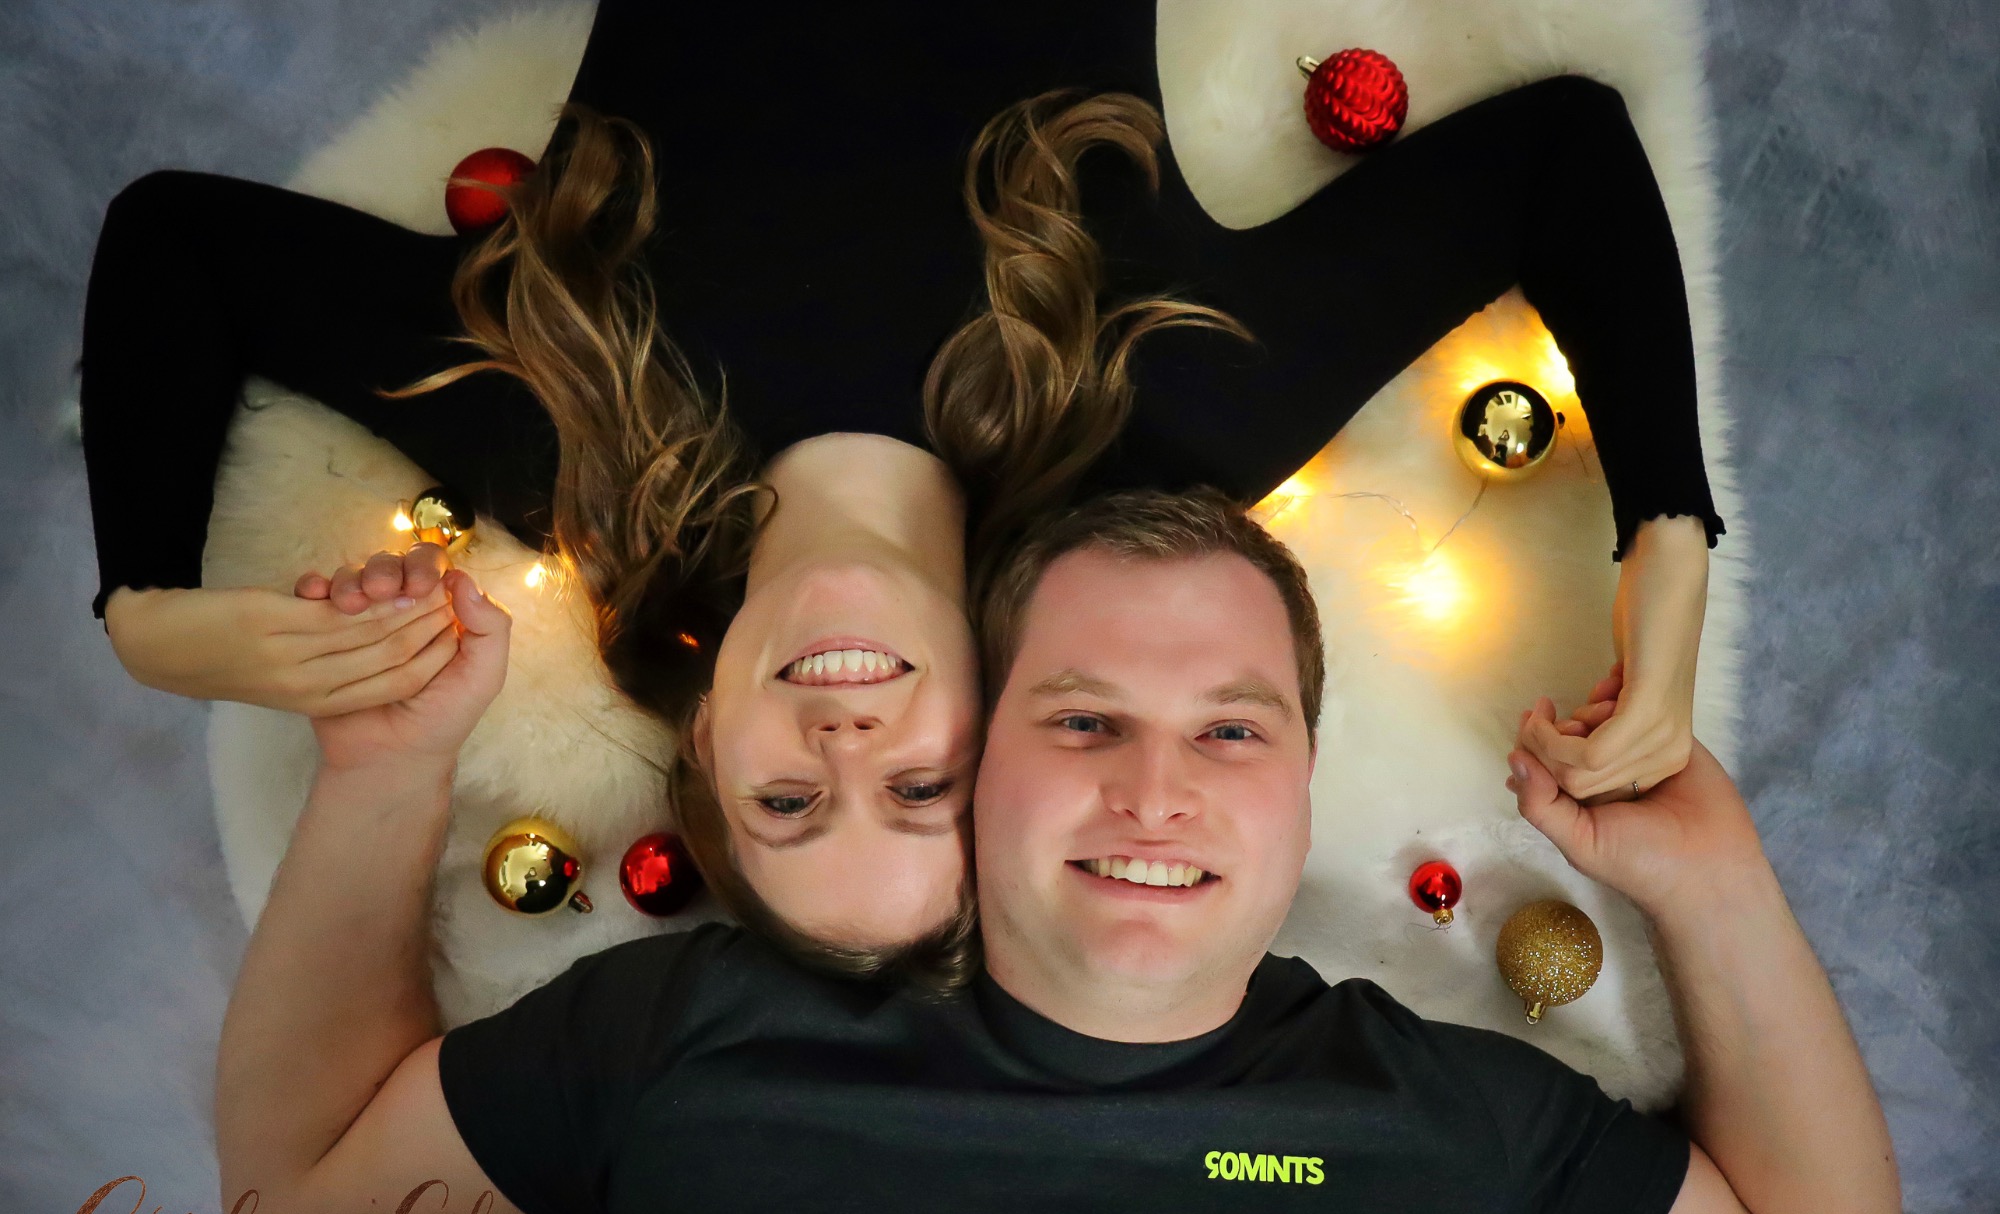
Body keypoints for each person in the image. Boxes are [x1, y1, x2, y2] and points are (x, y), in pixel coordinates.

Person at [214, 490, 1898, 1214]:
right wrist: (386, 769)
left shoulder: (1452, 1130)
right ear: (979, 762)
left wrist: (1713, 883)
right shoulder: (698, 1034)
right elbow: (297, 1187)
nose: (1156, 792)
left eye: (1230, 732)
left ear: (1306, 782)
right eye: (1085, 720)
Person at [85, 3, 1725, 958]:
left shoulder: (566, 445)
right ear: (998, 727)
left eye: (788, 806)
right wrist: (1668, 536)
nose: (848, 750)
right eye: (922, 792)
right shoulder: (1176, 423)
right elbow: (1559, 158)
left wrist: (148, 610)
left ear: (707, 740)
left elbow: (184, 248)